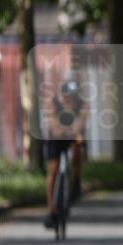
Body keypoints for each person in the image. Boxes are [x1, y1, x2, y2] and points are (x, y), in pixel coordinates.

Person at [43, 78, 88, 228]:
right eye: (68, 97)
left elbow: (80, 123)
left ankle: (76, 180)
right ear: (62, 96)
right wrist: (61, 130)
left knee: (78, 147)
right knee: (53, 170)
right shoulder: (53, 104)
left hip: (71, 136)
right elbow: (53, 125)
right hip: (55, 138)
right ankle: (51, 212)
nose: (71, 100)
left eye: (74, 97)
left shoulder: (83, 105)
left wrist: (75, 134)